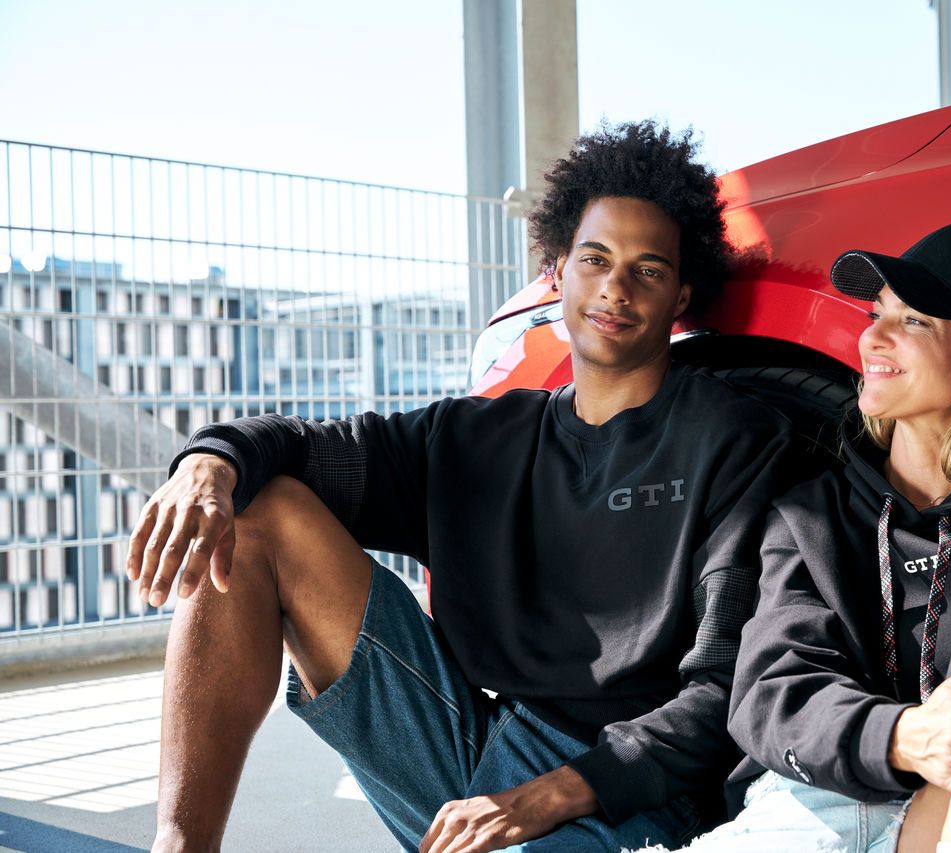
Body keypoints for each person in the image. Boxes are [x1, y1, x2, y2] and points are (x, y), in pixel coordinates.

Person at [129, 120, 797, 853]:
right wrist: (208, 465)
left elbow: (727, 691)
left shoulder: (733, 438)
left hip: (630, 789)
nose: (615, 287)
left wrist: (551, 794)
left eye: (649, 269)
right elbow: (297, 445)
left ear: (680, 295)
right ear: (557, 271)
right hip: (474, 745)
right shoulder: (477, 438)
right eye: (595, 259)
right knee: (256, 510)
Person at [651, 222, 951, 853]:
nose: (871, 336)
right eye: (878, 314)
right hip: (821, 805)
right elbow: (772, 693)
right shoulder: (813, 512)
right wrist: (907, 736)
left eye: (915, 321)